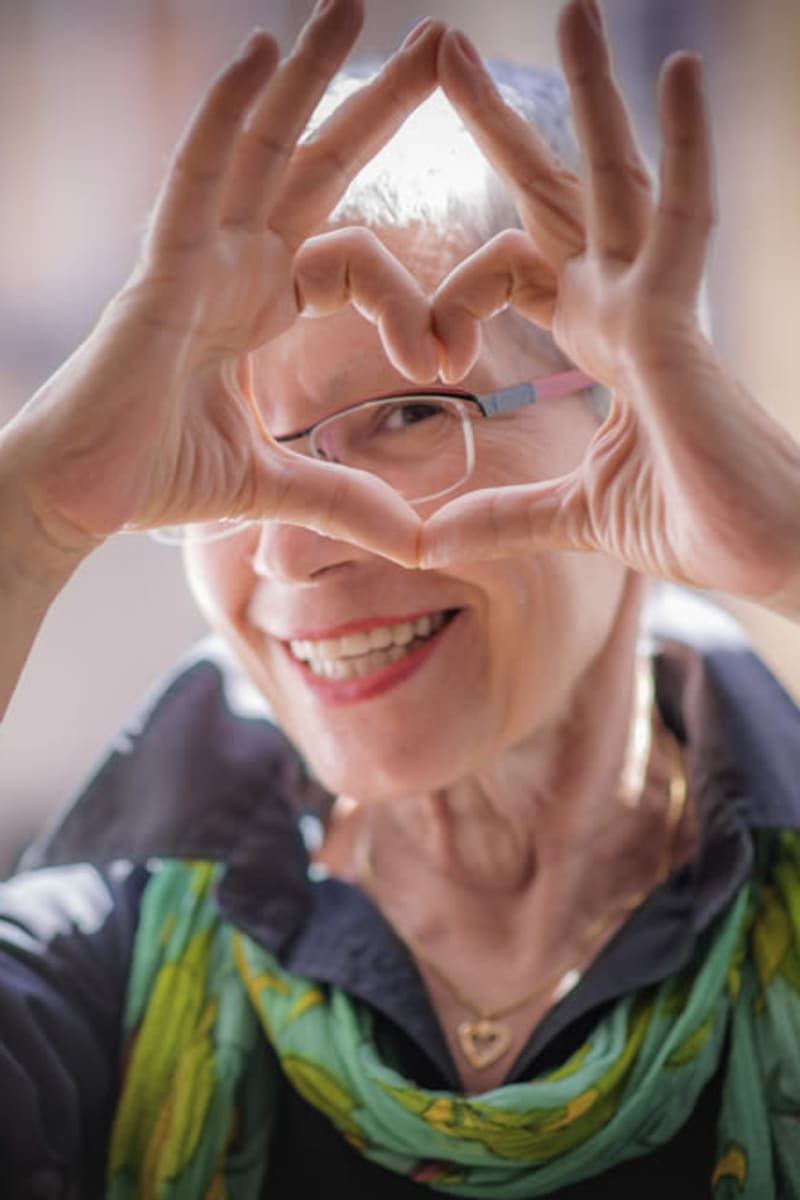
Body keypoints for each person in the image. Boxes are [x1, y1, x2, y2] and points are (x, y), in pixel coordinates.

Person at [0, 0, 798, 1194]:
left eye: (411, 413)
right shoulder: (92, 954)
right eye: (218, 452)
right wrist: (29, 523)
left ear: (635, 416)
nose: (283, 555)